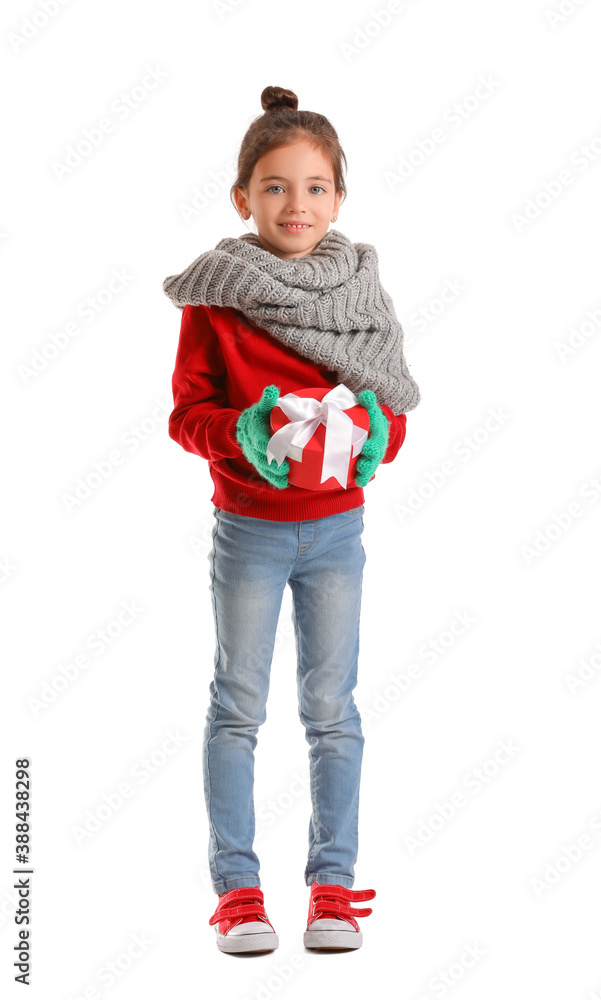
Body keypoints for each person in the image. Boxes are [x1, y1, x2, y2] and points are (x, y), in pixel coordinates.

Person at [162, 85, 421, 954]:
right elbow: (186, 412)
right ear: (243, 198)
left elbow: (393, 404)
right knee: (237, 706)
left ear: (338, 199)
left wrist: (379, 433)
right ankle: (237, 892)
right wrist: (240, 435)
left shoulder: (360, 290)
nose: (295, 204)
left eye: (314, 187)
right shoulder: (216, 296)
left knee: (331, 708)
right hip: (249, 530)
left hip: (337, 532)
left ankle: (332, 890)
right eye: (274, 187)